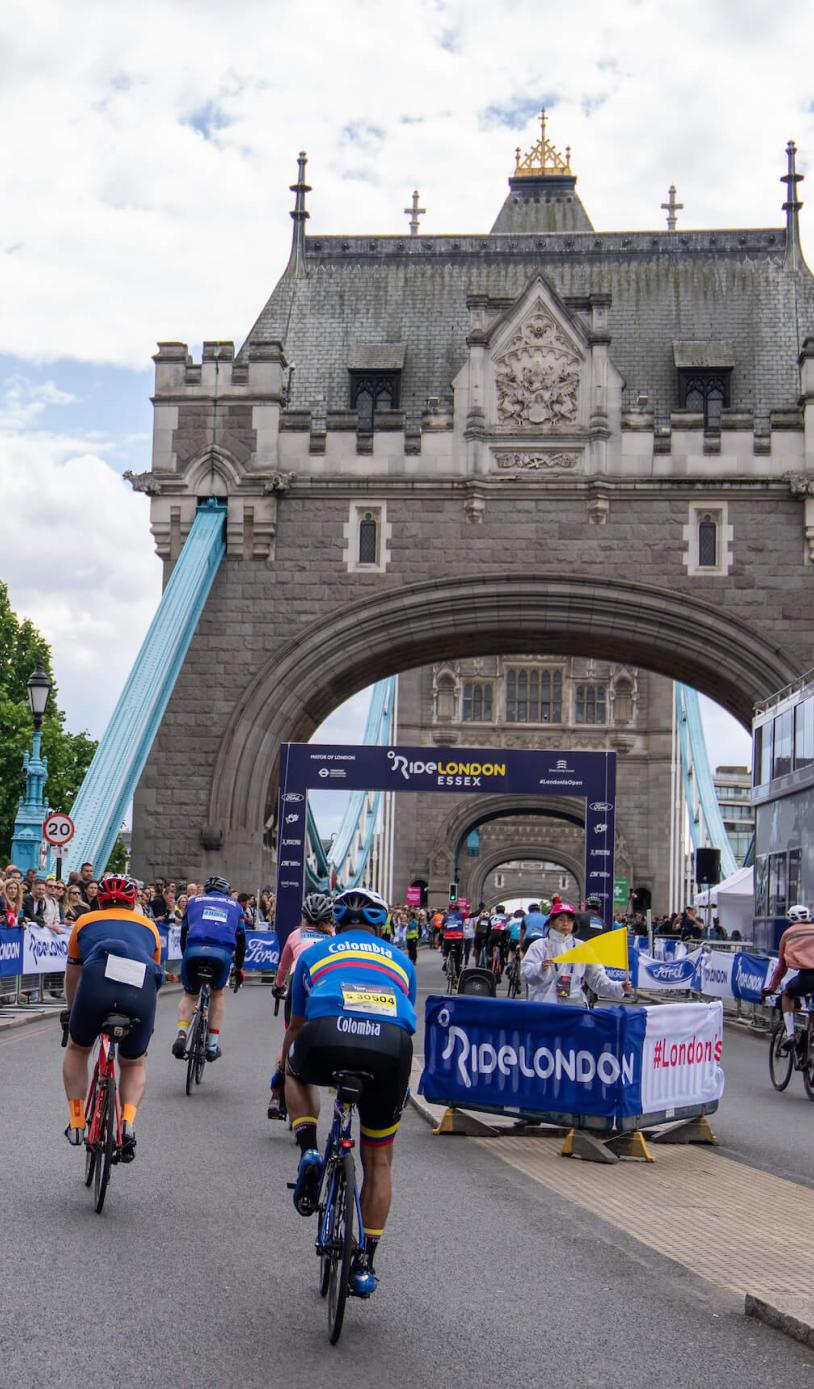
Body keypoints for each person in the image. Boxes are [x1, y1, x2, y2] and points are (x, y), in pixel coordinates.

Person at [281, 885, 417, 1298]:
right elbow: (406, 1020)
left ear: (335, 922)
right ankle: (364, 1264)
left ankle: (308, 1148)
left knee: (295, 1070)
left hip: (327, 1038)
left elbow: (297, 1025)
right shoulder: (402, 961)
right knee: (378, 1163)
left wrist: (283, 1059)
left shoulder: (313, 953)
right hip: (389, 1048)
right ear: (382, 925)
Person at [61, 874, 163, 1161]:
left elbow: (73, 973)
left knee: (78, 1049)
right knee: (133, 1062)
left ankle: (78, 1121)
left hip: (96, 985)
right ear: (132, 902)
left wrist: (72, 1011)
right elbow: (154, 976)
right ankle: (128, 1122)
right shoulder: (151, 928)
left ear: (99, 900)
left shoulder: (84, 921)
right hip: (139, 993)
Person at [267, 892, 335, 1119]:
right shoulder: (335, 937)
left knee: (291, 1034)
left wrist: (277, 986)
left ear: (304, 917)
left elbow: (283, 968)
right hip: (328, 988)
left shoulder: (295, 934)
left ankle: (277, 1090)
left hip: (300, 983)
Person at [171, 876, 246, 1062]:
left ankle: (181, 1034)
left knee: (190, 995)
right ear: (226, 892)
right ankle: (212, 1046)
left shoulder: (193, 900)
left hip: (194, 949)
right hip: (221, 953)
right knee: (217, 994)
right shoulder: (236, 906)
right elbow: (242, 941)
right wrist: (239, 967)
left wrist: (185, 954)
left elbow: (183, 932)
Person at [521, 900, 632, 1007]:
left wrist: (619, 987)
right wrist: (540, 967)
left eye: (569, 920)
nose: (565, 923)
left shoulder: (582, 948)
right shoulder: (539, 946)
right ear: (551, 922)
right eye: (561, 919)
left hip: (573, 1008)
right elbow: (527, 974)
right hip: (544, 1006)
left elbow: (597, 979)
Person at [762, 904, 814, 1053]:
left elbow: (781, 968)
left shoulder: (788, 934)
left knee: (787, 994)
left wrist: (772, 988)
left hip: (806, 977)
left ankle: (791, 1034)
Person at [441, 905, 464, 979]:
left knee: (445, 949)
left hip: (448, 939)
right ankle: (458, 977)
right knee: (458, 958)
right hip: (458, 939)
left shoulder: (445, 917)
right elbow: (474, 914)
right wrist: (480, 909)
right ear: (458, 910)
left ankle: (445, 961)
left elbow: (442, 930)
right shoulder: (461, 915)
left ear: (449, 910)